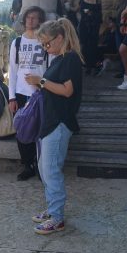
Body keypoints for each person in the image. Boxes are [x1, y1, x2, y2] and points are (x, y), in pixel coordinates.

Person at [23, 18, 83, 235]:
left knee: (51, 170)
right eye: (43, 45)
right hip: (51, 122)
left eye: (47, 44)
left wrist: (40, 81)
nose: (45, 48)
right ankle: (52, 209)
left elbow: (67, 90)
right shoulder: (60, 59)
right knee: (44, 169)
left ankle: (57, 217)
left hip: (59, 123)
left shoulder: (70, 59)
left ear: (59, 38)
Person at [8, 5, 47, 181]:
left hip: (40, 92)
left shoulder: (45, 41)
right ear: (24, 20)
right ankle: (27, 165)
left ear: (40, 20)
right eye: (29, 17)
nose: (31, 20)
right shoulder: (17, 42)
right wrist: (12, 97)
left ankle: (41, 166)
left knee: (41, 130)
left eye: (35, 17)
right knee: (23, 130)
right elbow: (13, 70)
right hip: (21, 93)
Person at [77, 0, 103, 75]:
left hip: (93, 28)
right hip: (84, 26)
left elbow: (100, 17)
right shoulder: (82, 0)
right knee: (83, 46)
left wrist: (91, 14)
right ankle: (86, 66)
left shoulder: (97, 2)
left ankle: (95, 66)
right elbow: (79, 11)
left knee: (92, 47)